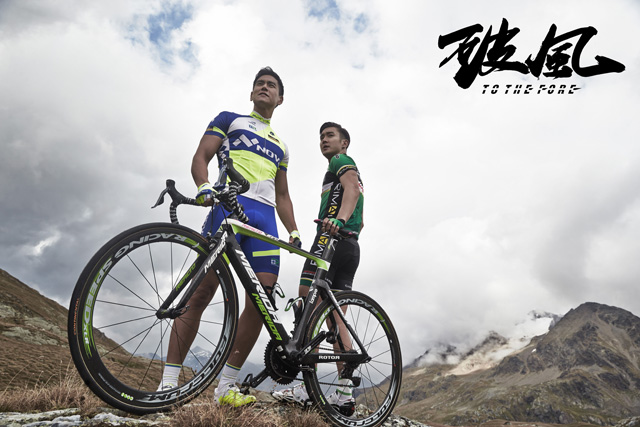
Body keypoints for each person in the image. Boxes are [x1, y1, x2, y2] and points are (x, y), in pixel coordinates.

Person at [158, 67, 301, 407]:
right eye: (259, 84)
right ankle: (167, 384)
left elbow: (282, 194)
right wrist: (204, 186)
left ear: (280, 99)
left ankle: (226, 387)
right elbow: (201, 157)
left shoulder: (281, 146)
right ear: (251, 93)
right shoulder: (229, 119)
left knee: (262, 303)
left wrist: (294, 231)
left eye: (271, 86)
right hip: (228, 209)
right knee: (201, 292)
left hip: (265, 222)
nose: (264, 88)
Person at [272, 122, 364, 410]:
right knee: (336, 319)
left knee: (307, 304)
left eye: (330, 135)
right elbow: (360, 217)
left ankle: (307, 386)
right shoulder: (342, 169)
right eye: (321, 136)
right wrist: (346, 224)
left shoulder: (340, 161)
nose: (324, 140)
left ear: (344, 142)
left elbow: (352, 190)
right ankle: (345, 393)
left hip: (330, 241)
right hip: (350, 246)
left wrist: (337, 221)